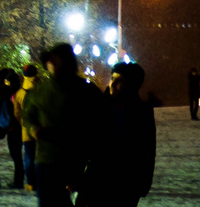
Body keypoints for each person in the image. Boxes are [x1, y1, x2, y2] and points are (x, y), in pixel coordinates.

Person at [21, 43, 103, 207]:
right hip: (46, 160)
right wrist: (33, 129)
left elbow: (99, 127)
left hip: (76, 159)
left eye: (55, 60)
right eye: (49, 61)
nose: (51, 64)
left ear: (66, 61)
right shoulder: (40, 91)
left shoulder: (86, 92)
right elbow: (28, 116)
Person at [78, 63, 155, 207]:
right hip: (96, 181)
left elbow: (147, 151)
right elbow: (85, 143)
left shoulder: (142, 113)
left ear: (132, 85)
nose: (113, 84)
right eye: (112, 78)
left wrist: (142, 184)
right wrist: (75, 175)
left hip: (125, 185)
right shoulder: (100, 106)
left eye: (120, 80)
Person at [15, 64, 37, 190]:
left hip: (26, 130)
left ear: (23, 75)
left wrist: (23, 123)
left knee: (28, 156)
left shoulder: (19, 93)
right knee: (40, 156)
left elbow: (17, 113)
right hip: (42, 129)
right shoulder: (43, 89)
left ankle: (30, 182)